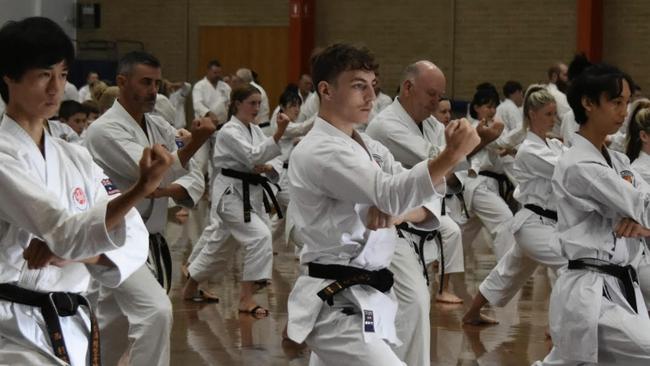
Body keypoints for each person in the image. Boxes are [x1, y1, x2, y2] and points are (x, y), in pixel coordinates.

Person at [285, 43, 479, 366]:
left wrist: (397, 213)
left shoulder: (368, 147)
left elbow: (419, 195)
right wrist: (450, 156)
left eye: (372, 87)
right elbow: (391, 191)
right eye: (358, 86)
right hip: (336, 304)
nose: (370, 97)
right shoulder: (321, 150)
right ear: (326, 90)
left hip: (365, 296)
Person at [0, 16, 172, 365]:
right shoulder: (4, 155)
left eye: (62, 75)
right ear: (9, 77)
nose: (56, 89)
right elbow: (63, 230)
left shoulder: (75, 156)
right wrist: (140, 189)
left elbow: (134, 237)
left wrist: (77, 255)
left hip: (71, 321)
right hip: (13, 326)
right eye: (43, 75)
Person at [84, 51, 214, 366]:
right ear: (121, 81)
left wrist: (186, 152)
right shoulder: (105, 130)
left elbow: (188, 167)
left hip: (148, 238)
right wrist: (195, 141)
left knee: (115, 325)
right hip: (116, 239)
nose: (154, 90)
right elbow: (152, 171)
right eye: (146, 82)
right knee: (155, 311)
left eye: (157, 83)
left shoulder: (157, 124)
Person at [535, 64, 650, 365]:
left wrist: (643, 225)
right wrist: (639, 216)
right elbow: (642, 205)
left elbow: (641, 206)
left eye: (626, 102)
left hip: (620, 285)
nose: (624, 111)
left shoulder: (619, 161)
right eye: (615, 102)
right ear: (588, 103)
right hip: (592, 289)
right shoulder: (579, 165)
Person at [463, 85, 568, 325]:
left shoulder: (554, 146)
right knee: (570, 265)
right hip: (534, 225)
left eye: (555, 114)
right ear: (532, 113)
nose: (554, 120)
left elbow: (568, 158)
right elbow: (567, 169)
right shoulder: (529, 150)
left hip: (546, 223)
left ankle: (472, 314)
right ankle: (558, 328)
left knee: (507, 271)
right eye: (548, 114)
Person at [366, 61, 466, 306]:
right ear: (408, 87)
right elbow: (440, 162)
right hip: (392, 223)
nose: (436, 101)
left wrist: (454, 157)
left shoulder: (431, 123)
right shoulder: (386, 125)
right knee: (406, 305)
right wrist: (469, 145)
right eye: (431, 94)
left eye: (440, 96)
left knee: (415, 307)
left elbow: (453, 167)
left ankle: (443, 288)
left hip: (420, 214)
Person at [183, 84, 289, 315]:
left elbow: (275, 157)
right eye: (252, 103)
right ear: (237, 104)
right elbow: (254, 156)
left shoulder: (256, 131)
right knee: (260, 235)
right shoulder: (229, 131)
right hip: (230, 196)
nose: (257, 108)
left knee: (220, 246)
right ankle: (245, 298)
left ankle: (191, 287)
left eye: (259, 103)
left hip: (250, 195)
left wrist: (270, 165)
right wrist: (278, 134)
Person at [192, 59, 231, 126]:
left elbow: (229, 103)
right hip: (204, 124)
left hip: (222, 124)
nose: (217, 75)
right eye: (215, 73)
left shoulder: (225, 86)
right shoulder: (199, 86)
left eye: (219, 73)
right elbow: (197, 104)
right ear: (208, 71)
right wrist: (209, 113)